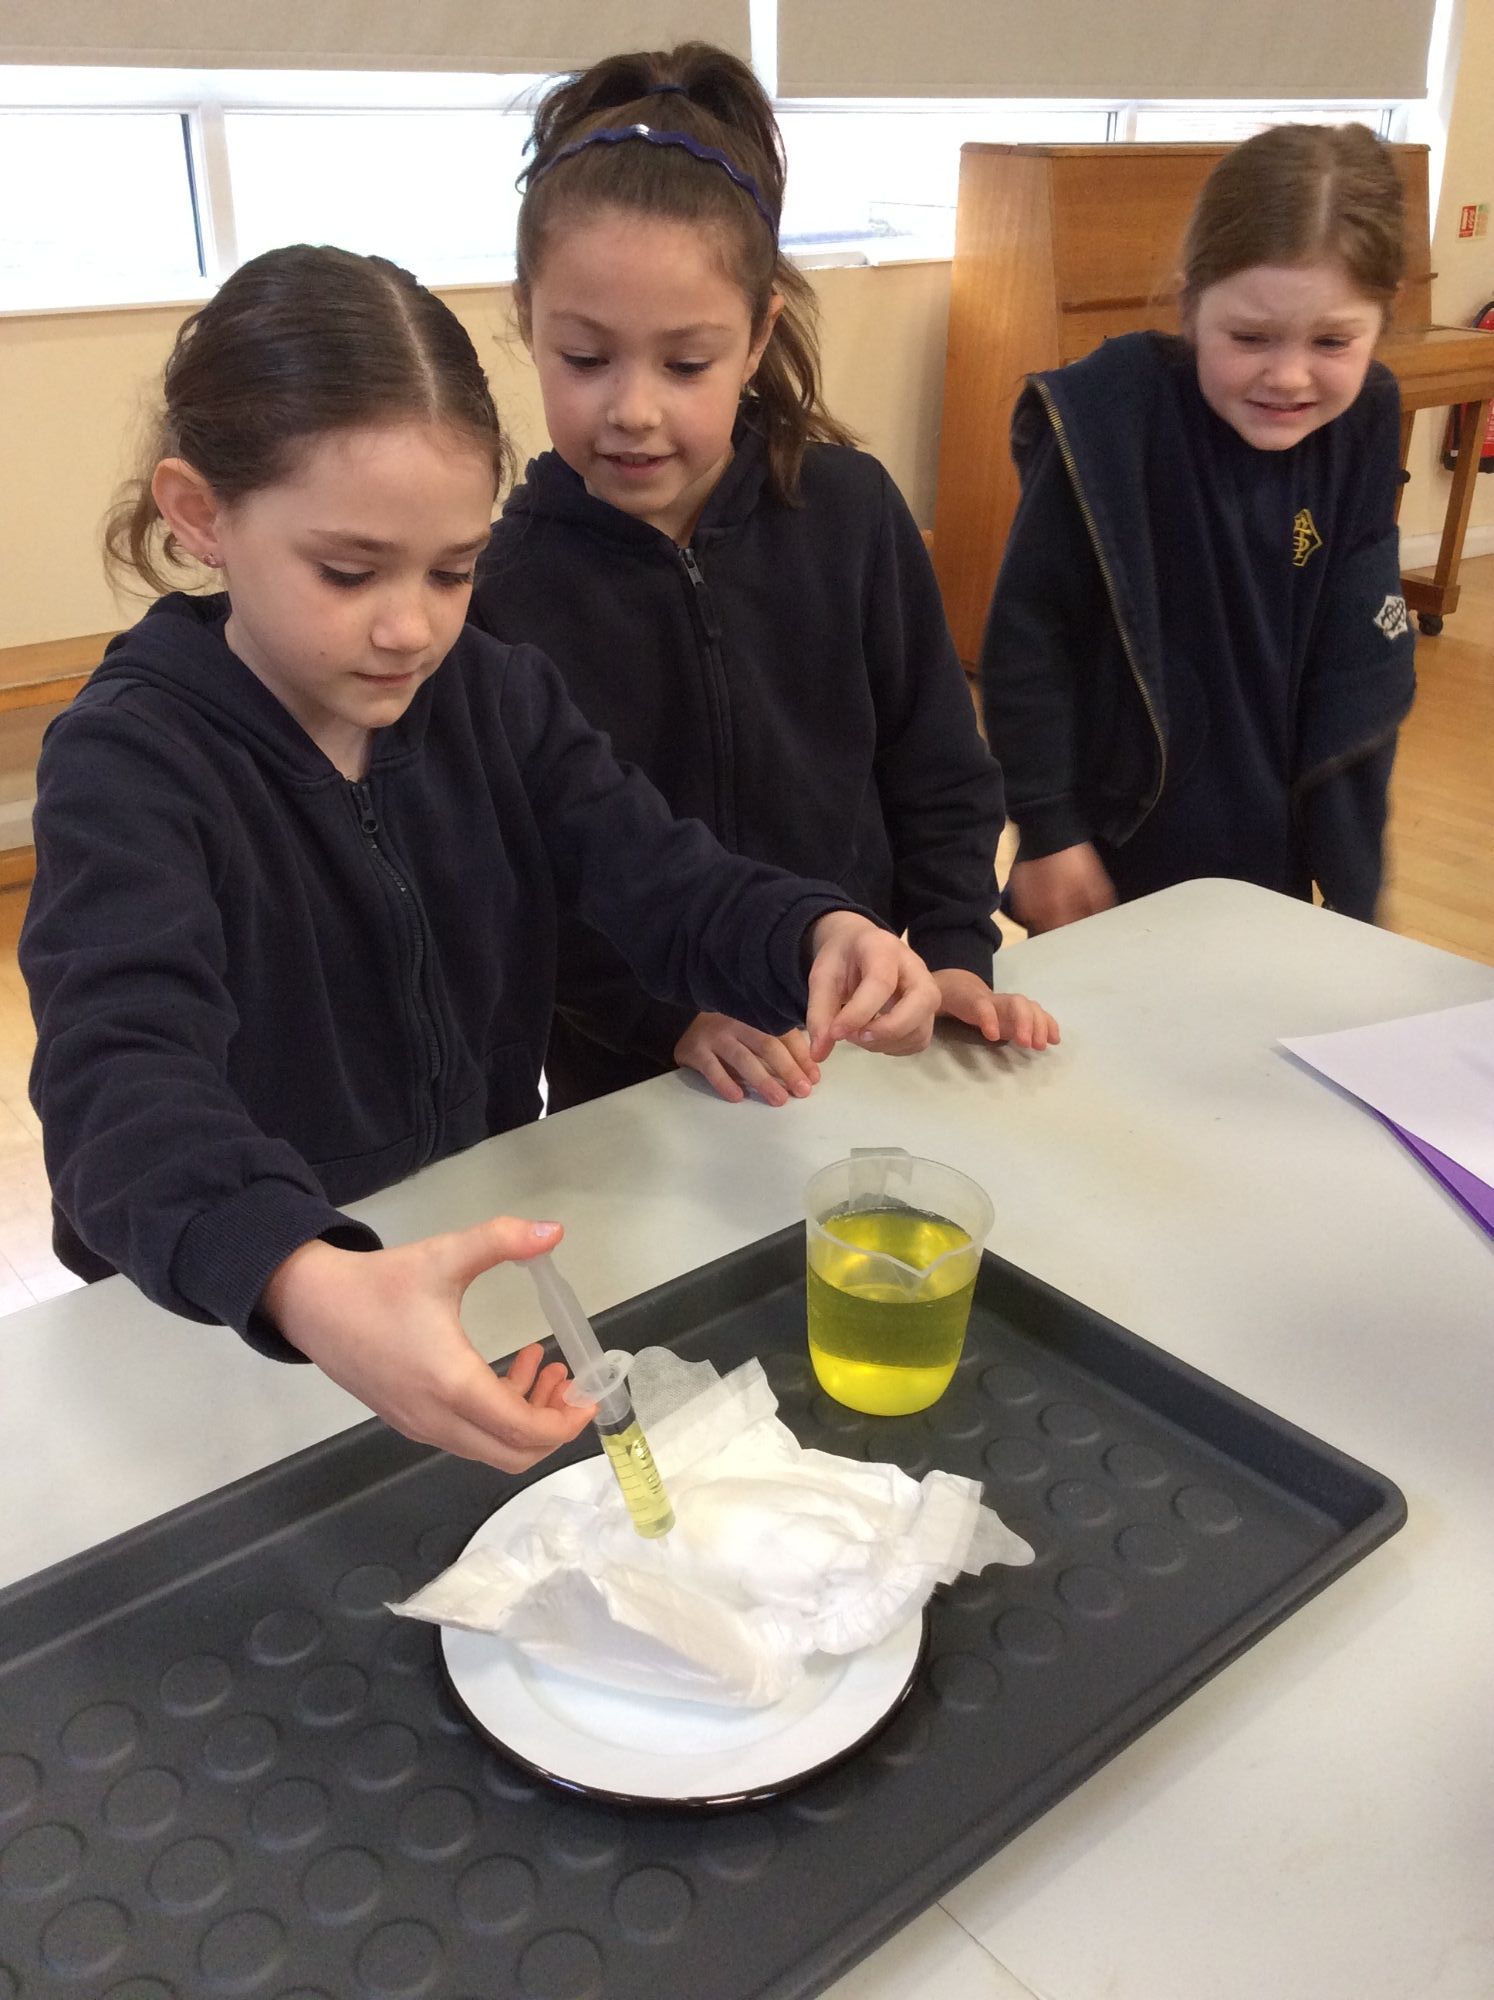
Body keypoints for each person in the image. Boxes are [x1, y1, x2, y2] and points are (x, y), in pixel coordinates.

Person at [20, 244, 942, 1477]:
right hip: (214, 1308)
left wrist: (814, 933)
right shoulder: (131, 762)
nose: (412, 626)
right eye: (349, 571)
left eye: (454, 569)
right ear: (200, 515)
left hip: (451, 1253)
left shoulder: (494, 695)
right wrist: (299, 1272)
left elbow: (660, 875)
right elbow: (118, 1086)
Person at [469, 42, 1058, 1115]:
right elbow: (519, 882)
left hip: (857, 1052)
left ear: (756, 339)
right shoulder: (497, 592)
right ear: (527, 321)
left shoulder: (852, 513)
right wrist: (669, 1020)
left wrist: (955, 948)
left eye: (685, 363)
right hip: (634, 1094)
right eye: (585, 359)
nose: (633, 409)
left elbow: (938, 766)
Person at [980, 122, 1417, 935]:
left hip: (1271, 852)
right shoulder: (1108, 415)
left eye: (1332, 341)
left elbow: (1359, 672)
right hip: (1113, 846)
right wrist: (1048, 828)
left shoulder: (1367, 419)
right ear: (1189, 302)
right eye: (1249, 337)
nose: (1288, 375)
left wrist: (1357, 898)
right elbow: (1029, 640)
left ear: (1381, 318)